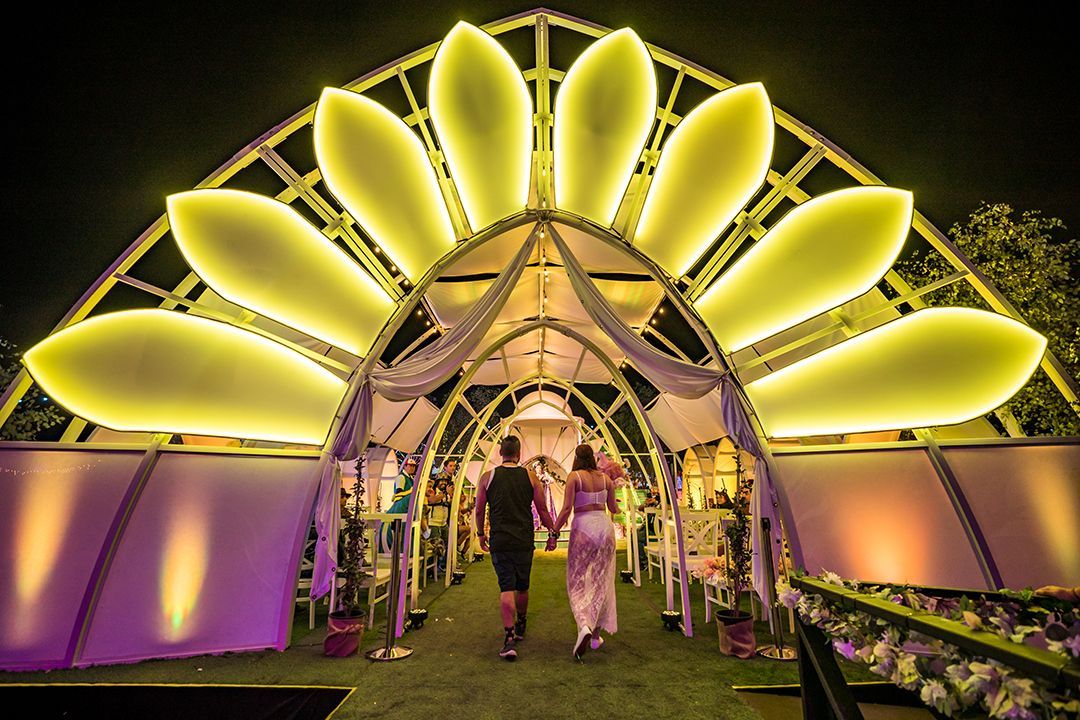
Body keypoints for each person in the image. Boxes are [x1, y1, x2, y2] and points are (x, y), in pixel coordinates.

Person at [475, 436, 556, 660]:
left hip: (500, 540)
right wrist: (552, 533)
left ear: (501, 452)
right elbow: (542, 509)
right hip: (523, 539)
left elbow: (479, 510)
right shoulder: (530, 477)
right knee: (523, 585)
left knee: (506, 587)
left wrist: (481, 534)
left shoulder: (487, 477)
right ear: (519, 453)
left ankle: (509, 638)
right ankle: (521, 623)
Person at [553, 444, 619, 659]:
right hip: (605, 528)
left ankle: (584, 625)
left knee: (577, 580)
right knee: (602, 581)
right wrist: (618, 483)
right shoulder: (605, 479)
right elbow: (614, 508)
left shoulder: (574, 477)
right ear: (592, 458)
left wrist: (554, 531)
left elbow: (566, 509)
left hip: (583, 528)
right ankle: (595, 637)